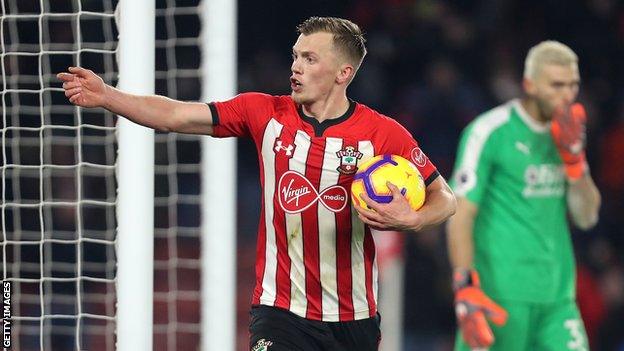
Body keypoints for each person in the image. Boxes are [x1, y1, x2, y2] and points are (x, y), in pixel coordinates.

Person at [58, 17, 456, 351]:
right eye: (296, 56)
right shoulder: (264, 113)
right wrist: (108, 96)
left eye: (310, 58)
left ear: (343, 73)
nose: (295, 67)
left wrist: (415, 219)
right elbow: (176, 116)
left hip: (353, 319)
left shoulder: (382, 134)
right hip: (278, 311)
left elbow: (444, 197)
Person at [447, 40, 601, 351]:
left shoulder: (570, 136)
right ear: (529, 84)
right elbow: (460, 214)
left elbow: (586, 217)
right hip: (498, 297)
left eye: (573, 85)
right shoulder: (490, 132)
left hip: (557, 299)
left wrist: (575, 160)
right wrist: (464, 288)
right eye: (556, 85)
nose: (567, 95)